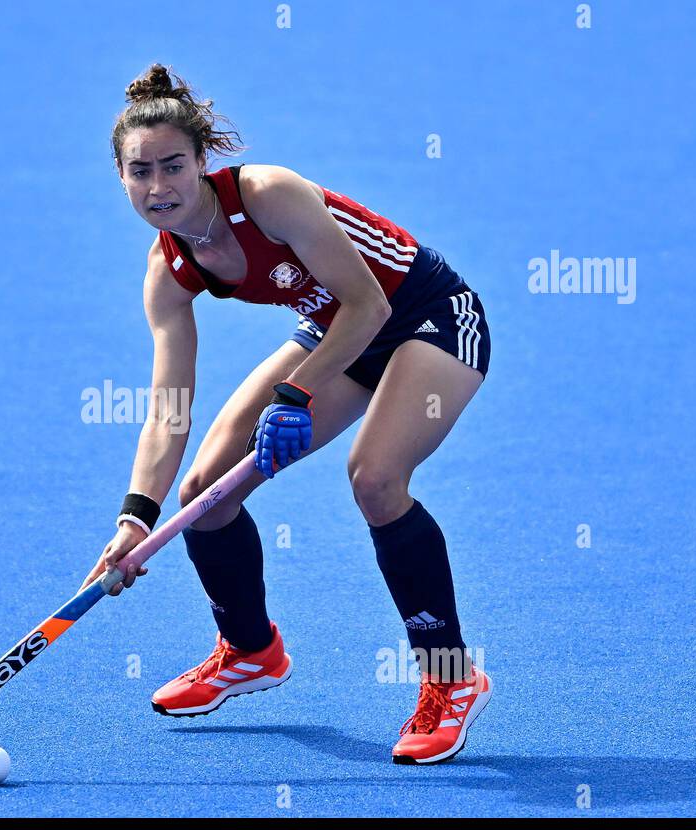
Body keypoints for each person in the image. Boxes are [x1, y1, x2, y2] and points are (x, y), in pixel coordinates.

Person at [79, 63, 492, 764]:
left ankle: (451, 679)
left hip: (426, 318)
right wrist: (134, 520)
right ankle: (250, 650)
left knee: (375, 479)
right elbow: (169, 405)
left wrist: (298, 393)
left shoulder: (268, 194)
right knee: (206, 492)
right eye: (139, 171)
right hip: (335, 332)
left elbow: (371, 306)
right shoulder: (168, 269)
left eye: (173, 165)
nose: (158, 187)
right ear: (119, 177)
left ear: (204, 160)